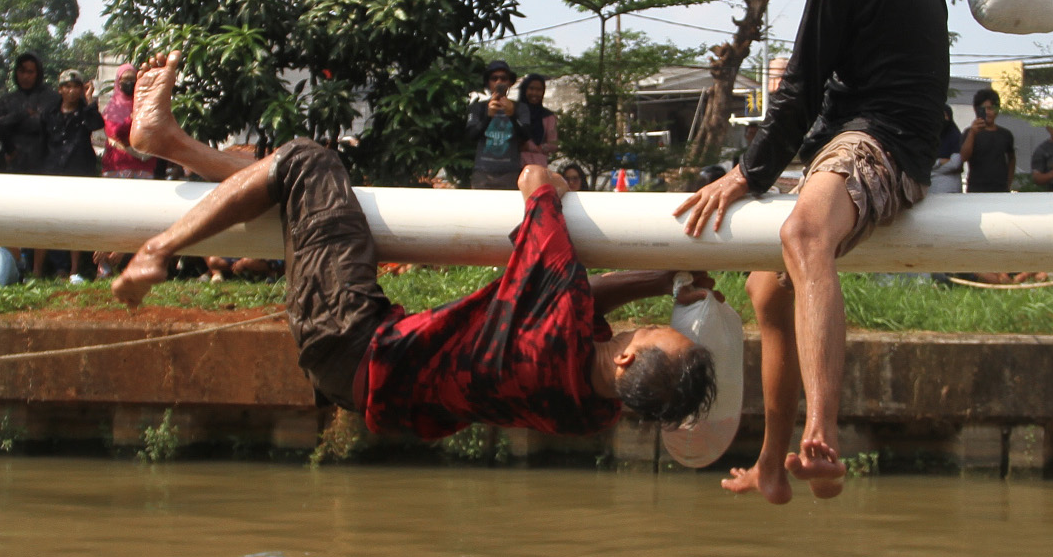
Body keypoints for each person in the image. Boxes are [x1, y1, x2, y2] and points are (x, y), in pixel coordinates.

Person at [113, 52, 717, 439]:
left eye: (653, 332)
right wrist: (664, 277)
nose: (644, 326)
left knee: (308, 161)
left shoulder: (558, 317)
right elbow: (580, 302)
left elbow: (535, 187)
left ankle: (157, 249)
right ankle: (169, 143)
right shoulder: (593, 410)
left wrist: (553, 185)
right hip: (363, 384)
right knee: (297, 191)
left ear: (627, 358)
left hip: (351, 337)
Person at [673, 0, 956, 503]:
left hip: (884, 137)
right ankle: (771, 464)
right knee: (767, 289)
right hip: (872, 128)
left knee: (803, 233)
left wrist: (747, 174)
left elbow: (799, 84)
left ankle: (822, 435)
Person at [36, 68, 105, 280]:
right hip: (53, 172)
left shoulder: (86, 112)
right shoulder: (49, 113)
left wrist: (88, 101)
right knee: (46, 221)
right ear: (60, 90)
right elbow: (41, 142)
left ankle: (75, 270)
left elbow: (97, 124)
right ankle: (38, 271)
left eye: (76, 86)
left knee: (75, 221)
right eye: (67, 86)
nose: (72, 91)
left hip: (79, 174)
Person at [466, 59, 526, 190]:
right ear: (488, 82)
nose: (499, 82)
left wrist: (512, 115)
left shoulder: (520, 108)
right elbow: (471, 136)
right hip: (483, 172)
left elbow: (526, 136)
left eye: (503, 78)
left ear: (510, 82)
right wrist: (488, 116)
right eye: (494, 78)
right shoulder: (478, 107)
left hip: (510, 172)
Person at [0, 54, 58, 175]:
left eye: (30, 72)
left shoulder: (52, 98)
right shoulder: (7, 100)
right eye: (22, 71)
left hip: (43, 163)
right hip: (12, 163)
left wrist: (17, 123)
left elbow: (50, 124)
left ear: (38, 73)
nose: (25, 76)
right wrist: (21, 115)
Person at [960, 89, 1017, 194]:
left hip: (1001, 189)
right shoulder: (969, 132)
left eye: (991, 108)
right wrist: (972, 133)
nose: (987, 112)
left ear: (997, 109)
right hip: (976, 188)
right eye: (983, 109)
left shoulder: (1005, 134)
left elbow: (1011, 159)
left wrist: (1009, 183)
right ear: (976, 110)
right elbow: (963, 157)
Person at [518, 74, 559, 170]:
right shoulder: (514, 112)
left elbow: (553, 144)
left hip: (538, 167)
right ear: (524, 90)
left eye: (539, 90)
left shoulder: (548, 116)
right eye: (531, 89)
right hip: (515, 166)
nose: (535, 93)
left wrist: (533, 148)